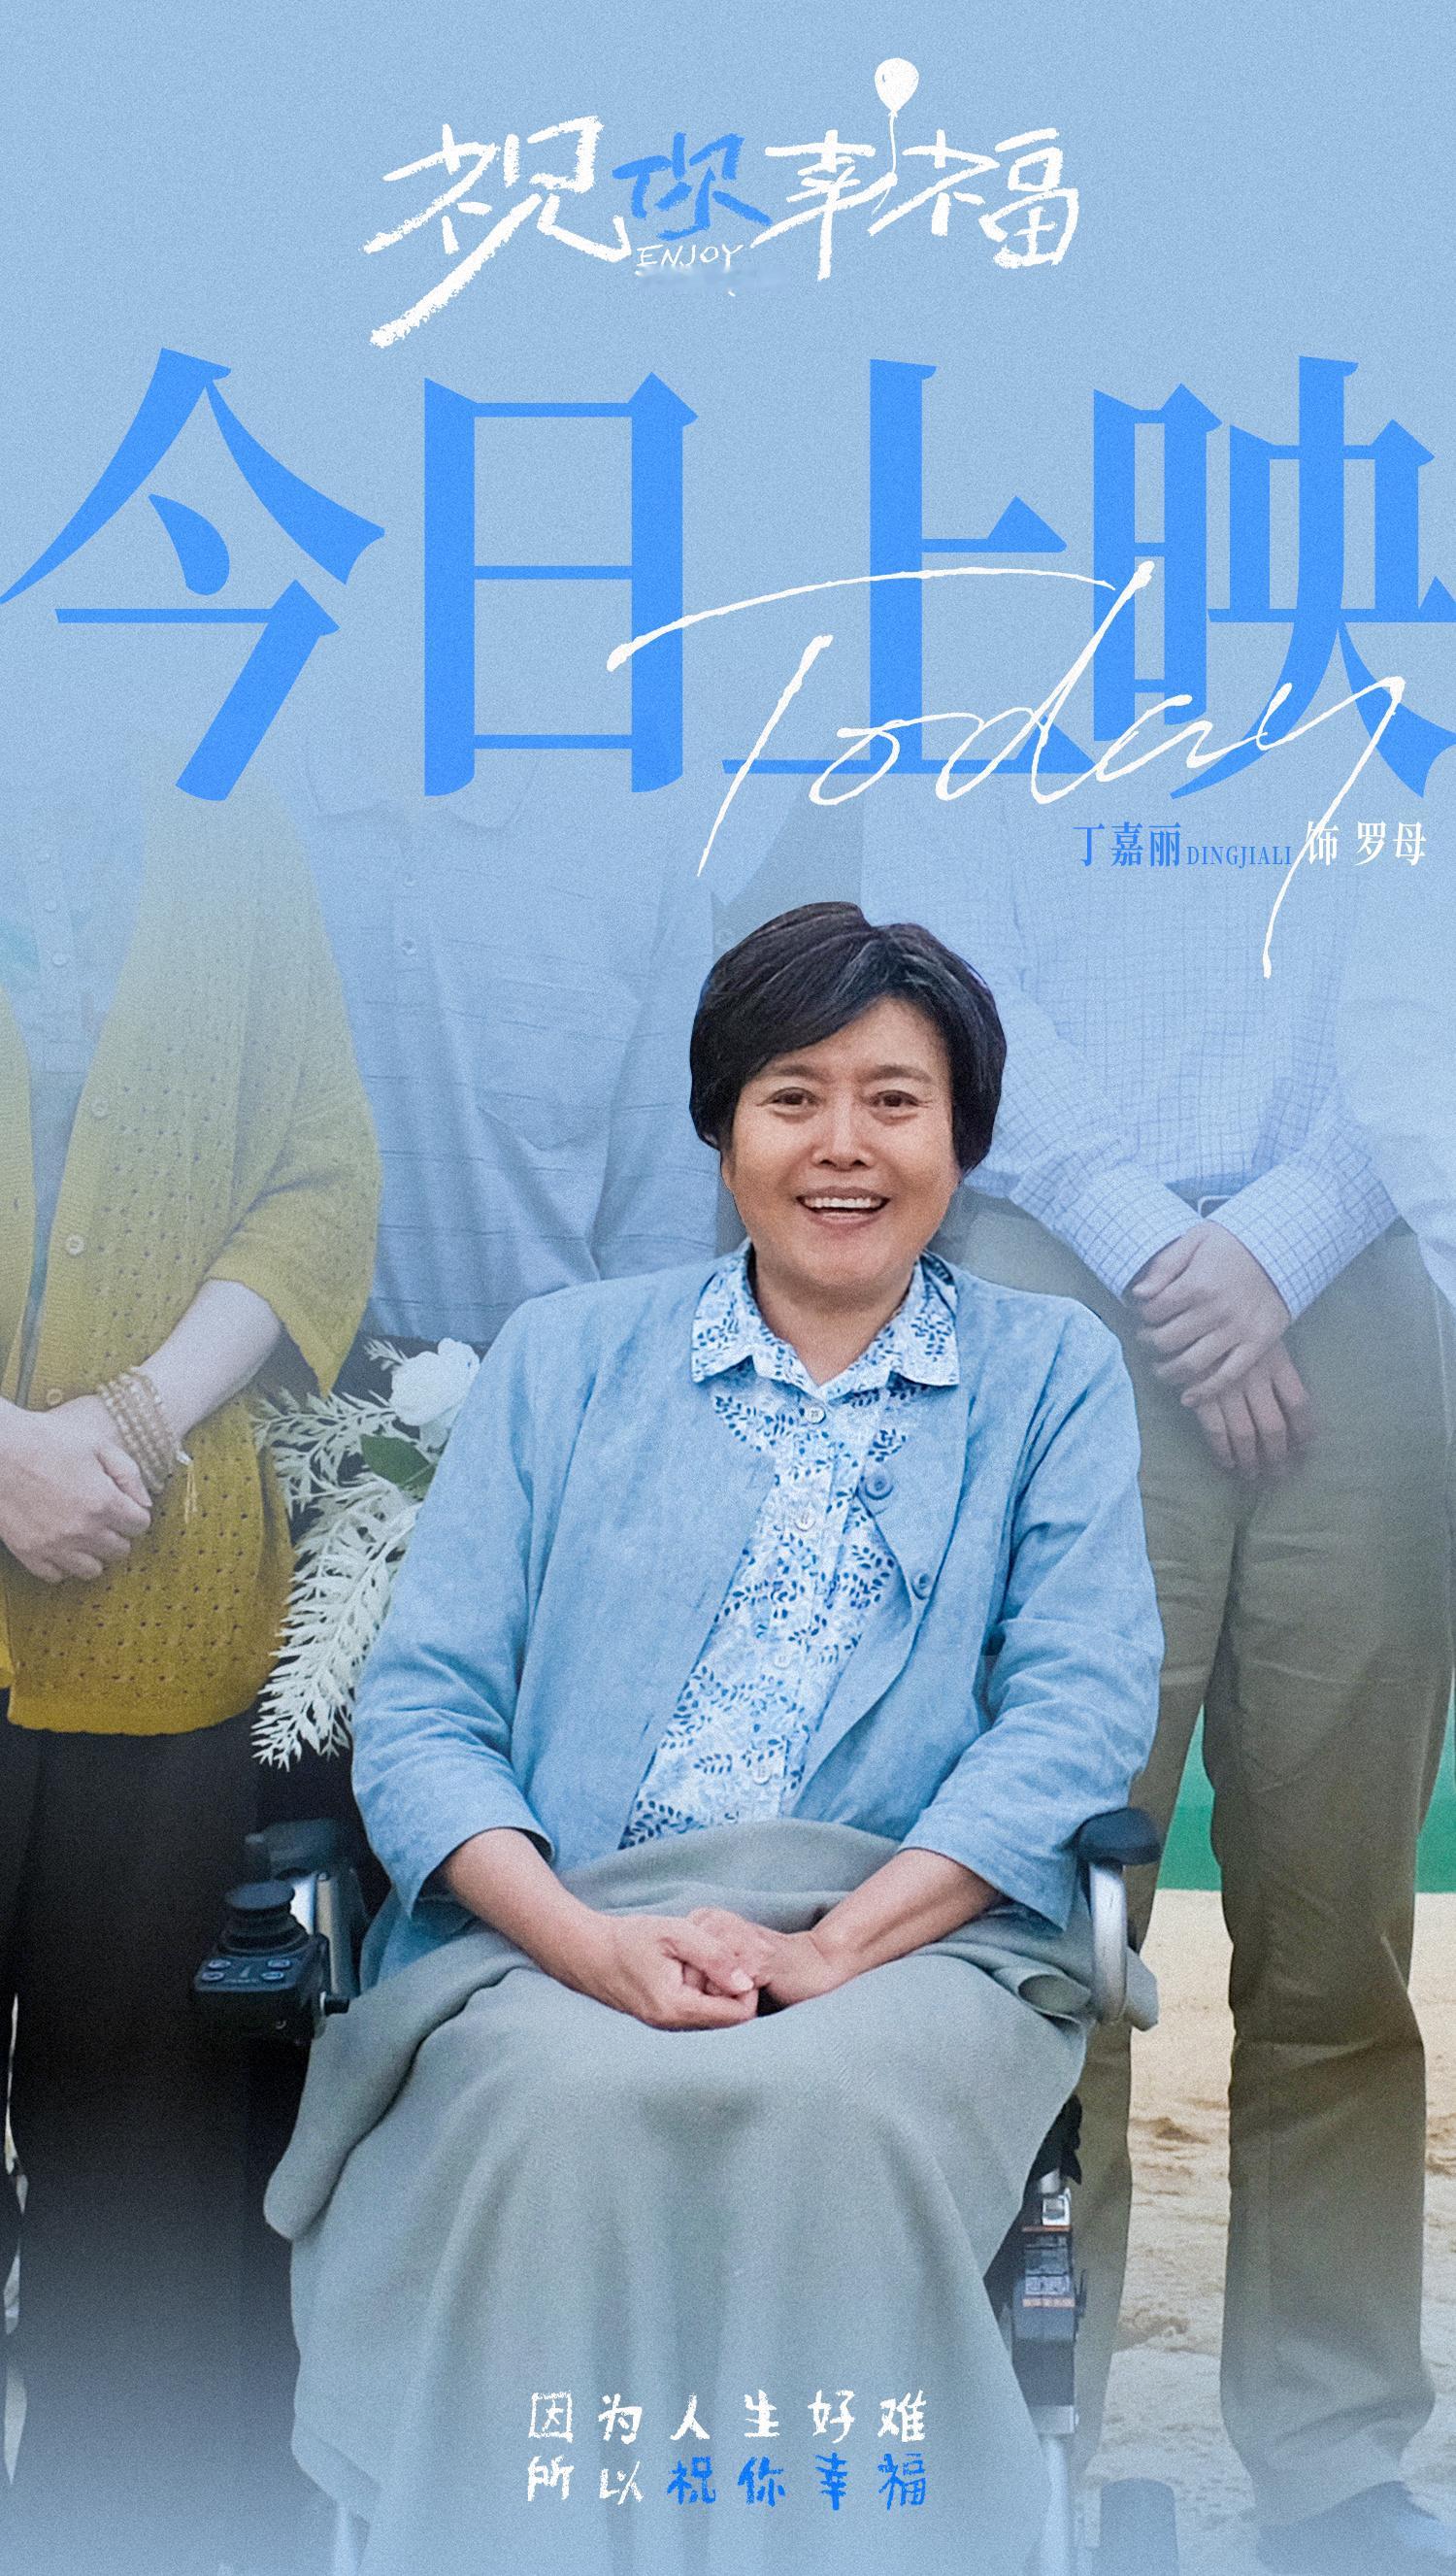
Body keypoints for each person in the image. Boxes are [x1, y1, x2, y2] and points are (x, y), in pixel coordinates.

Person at [267, 901, 1162, 2576]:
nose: (844, 1146)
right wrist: (584, 1944)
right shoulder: (565, 1359)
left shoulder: (1050, 1375)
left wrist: (834, 1952)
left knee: (828, 2107)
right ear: (721, 1128)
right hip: (562, 1931)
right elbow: (427, 1707)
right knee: (550, 2101)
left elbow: (1076, 1711)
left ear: (962, 1135)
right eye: (791, 1096)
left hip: (908, 1949)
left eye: (894, 1100)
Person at [862, 782, 1455, 2572]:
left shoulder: (1381, 672)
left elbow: (1422, 986)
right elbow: (948, 972)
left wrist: (1276, 1244)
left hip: (1361, 1266)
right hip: (1053, 1269)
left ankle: (1336, 2452)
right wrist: (1157, 1244)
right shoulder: (971, 671)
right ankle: (1029, 2442)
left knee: (1339, 1930)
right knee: (1054, 1924)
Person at [0, 768, 381, 2576]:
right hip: (76, 1517)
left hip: (161, 1590)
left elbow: (320, 1184)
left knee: (142, 2160)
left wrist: (133, 1421)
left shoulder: (237, 841)